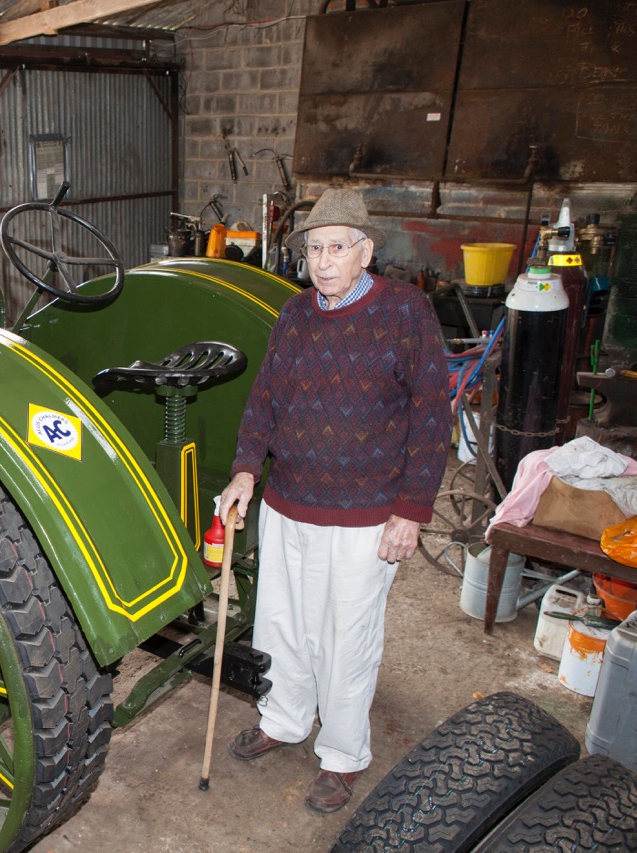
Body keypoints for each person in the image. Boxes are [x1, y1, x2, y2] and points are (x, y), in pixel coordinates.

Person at [218, 188, 450, 813]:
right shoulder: (295, 315)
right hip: (288, 504)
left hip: (366, 514)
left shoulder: (406, 312)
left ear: (365, 251)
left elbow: (431, 417)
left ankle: (342, 755)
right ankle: (285, 719)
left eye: (337, 247)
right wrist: (245, 472)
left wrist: (412, 510)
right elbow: (264, 399)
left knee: (347, 639)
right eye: (315, 248)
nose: (323, 261)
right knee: (282, 624)